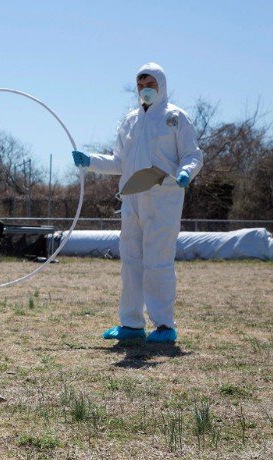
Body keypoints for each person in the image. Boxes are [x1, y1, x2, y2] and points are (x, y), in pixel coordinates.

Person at [72, 62, 203, 343]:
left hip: (163, 197)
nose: (145, 90)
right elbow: (119, 161)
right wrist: (91, 160)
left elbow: (193, 155)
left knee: (158, 261)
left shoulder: (176, 118)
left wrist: (185, 173)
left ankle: (164, 325)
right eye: (141, 85)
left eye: (150, 84)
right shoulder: (130, 120)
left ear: (161, 86)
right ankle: (131, 323)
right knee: (131, 260)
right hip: (132, 198)